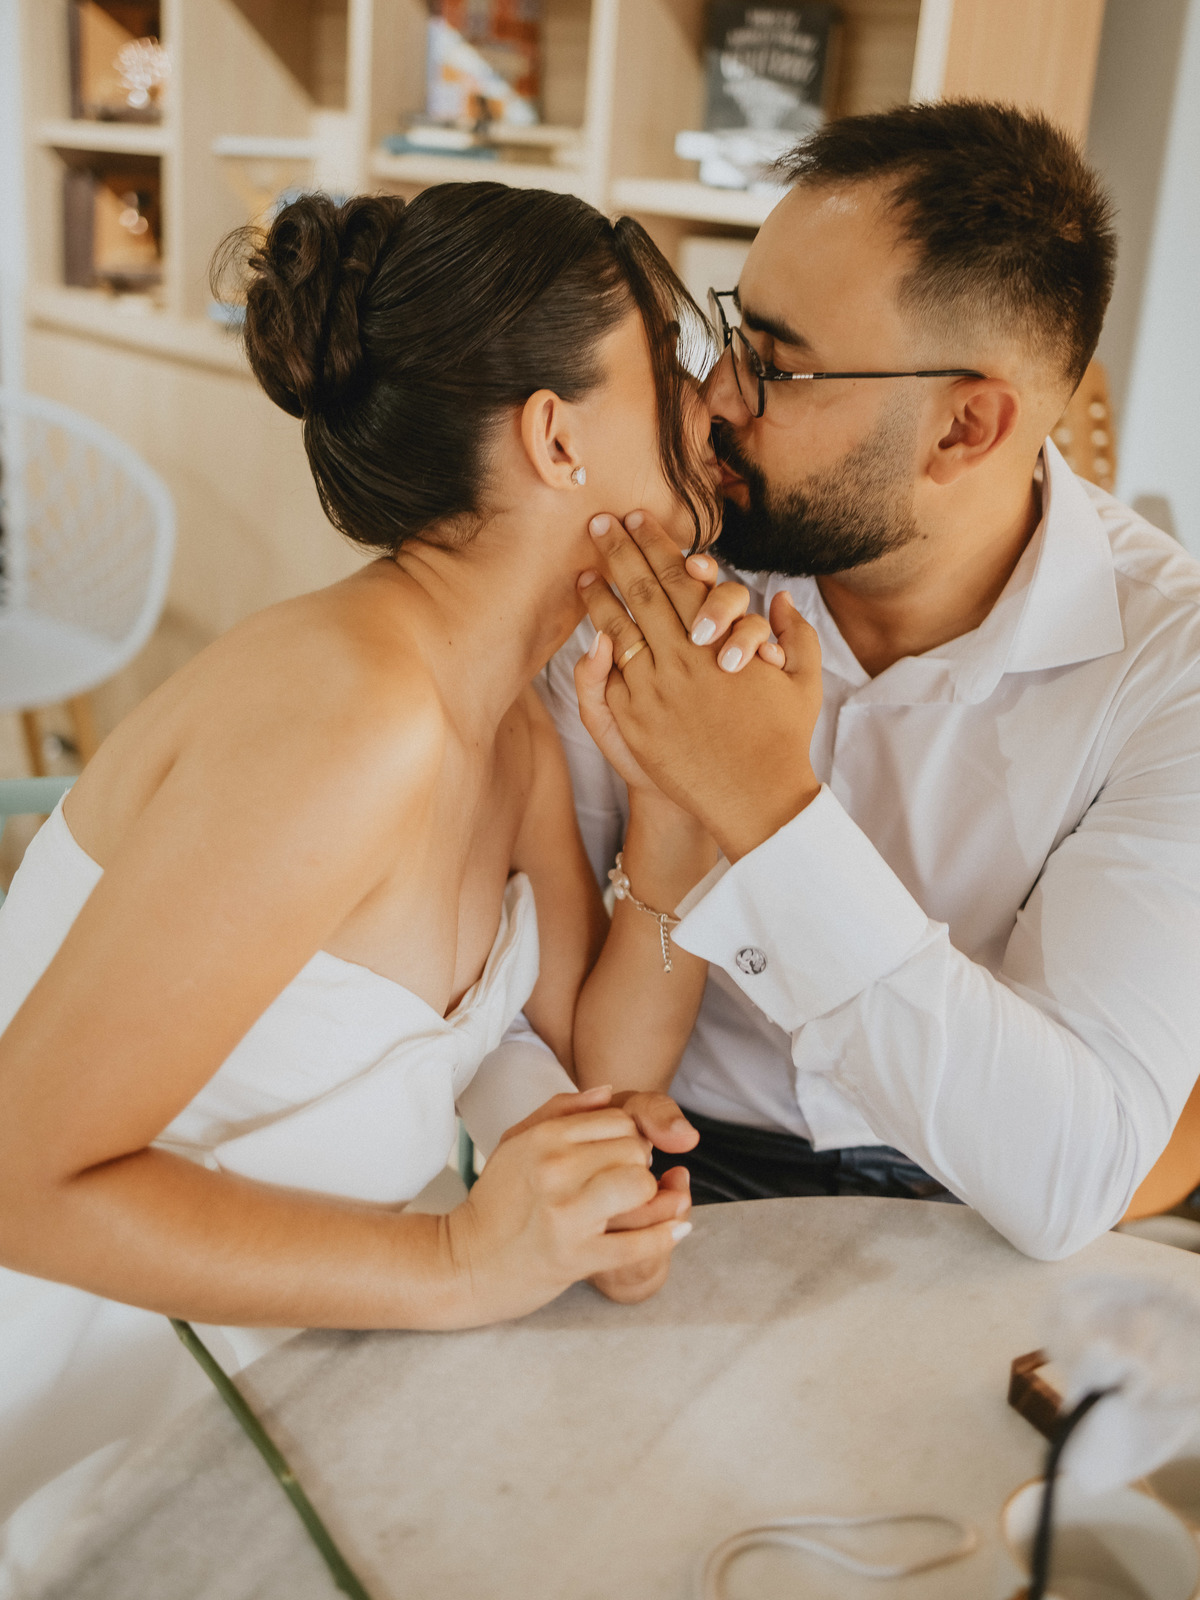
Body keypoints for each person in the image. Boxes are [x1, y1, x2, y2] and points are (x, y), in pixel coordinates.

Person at [0, 184, 722, 1580]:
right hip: (74, 1433)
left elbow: (600, 1062)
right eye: (671, 363)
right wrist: (468, 1262)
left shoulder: (510, 721)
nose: (710, 409)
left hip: (280, 1406)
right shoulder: (351, 719)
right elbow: (19, 1181)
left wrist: (681, 798)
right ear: (556, 437)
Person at [543, 100, 1200, 1263]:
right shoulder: (660, 555)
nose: (717, 398)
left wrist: (763, 804)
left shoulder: (1169, 670)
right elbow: (516, 968)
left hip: (974, 1201)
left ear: (964, 427)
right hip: (663, 1154)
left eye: (778, 366)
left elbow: (1070, 1169)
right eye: (733, 334)